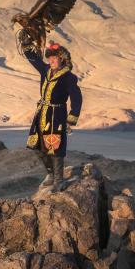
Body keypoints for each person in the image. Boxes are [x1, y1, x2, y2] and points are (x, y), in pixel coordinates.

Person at [19, 33, 82, 192]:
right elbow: (33, 59)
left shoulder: (69, 78)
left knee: (55, 148)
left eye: (54, 58)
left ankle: (59, 181)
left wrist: (71, 119)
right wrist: (26, 44)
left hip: (57, 115)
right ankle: (50, 173)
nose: (51, 61)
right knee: (37, 146)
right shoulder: (45, 69)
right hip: (41, 113)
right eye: (50, 59)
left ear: (62, 59)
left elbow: (77, 98)